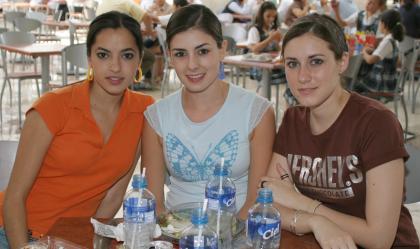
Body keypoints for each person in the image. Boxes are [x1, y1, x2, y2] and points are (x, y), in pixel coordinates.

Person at [260, 13, 419, 248]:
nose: (302, 76)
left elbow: (378, 238)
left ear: (342, 62)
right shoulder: (293, 119)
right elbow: (267, 200)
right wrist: (314, 222)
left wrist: (303, 204)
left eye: (316, 61)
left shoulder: (377, 123)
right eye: (292, 63)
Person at [0, 11, 154, 249]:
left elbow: (114, 194)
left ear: (139, 60)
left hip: (71, 237)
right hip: (16, 233)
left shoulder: (144, 111)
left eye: (127, 55)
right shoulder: (52, 108)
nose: (115, 66)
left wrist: (88, 240)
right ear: (90, 58)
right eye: (103, 55)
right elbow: (13, 199)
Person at [142, 4, 275, 220]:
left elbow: (256, 202)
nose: (192, 65)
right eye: (180, 54)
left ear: (222, 49)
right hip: (177, 234)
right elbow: (154, 203)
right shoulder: (156, 117)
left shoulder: (257, 112)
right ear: (170, 56)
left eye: (203, 51)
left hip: (238, 232)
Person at [96, 0, 157, 90]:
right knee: (149, 57)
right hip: (120, 44)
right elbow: (147, 17)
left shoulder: (102, 4)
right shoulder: (126, 3)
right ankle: (128, 83)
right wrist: (149, 32)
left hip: (102, 45)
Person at [354, 9, 404, 93]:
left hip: (380, 83)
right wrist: (373, 50)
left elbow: (370, 60)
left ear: (384, 24)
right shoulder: (393, 39)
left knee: (353, 84)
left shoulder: (387, 41)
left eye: (380, 22)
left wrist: (364, 51)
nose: (379, 25)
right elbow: (389, 56)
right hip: (389, 80)